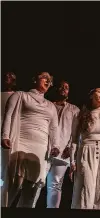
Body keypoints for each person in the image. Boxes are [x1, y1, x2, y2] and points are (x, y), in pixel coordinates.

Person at [1, 72, 60, 207]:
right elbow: (8, 116)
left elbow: (54, 128)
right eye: (44, 77)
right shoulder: (20, 95)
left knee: (33, 187)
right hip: (22, 142)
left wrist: (55, 145)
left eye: (50, 80)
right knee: (16, 183)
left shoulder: (50, 105)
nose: (48, 81)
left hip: (41, 146)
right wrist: (5, 136)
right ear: (34, 80)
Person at [38, 80, 80, 208]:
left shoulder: (74, 109)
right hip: (43, 148)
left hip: (63, 152)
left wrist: (70, 147)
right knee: (37, 181)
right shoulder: (46, 105)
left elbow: (76, 132)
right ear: (55, 89)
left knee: (55, 184)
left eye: (66, 87)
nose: (63, 89)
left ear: (69, 92)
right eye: (61, 86)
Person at [1, 71, 17, 205]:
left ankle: (3, 205)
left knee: (5, 173)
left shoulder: (17, 97)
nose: (7, 79)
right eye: (5, 77)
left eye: (10, 78)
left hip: (7, 138)